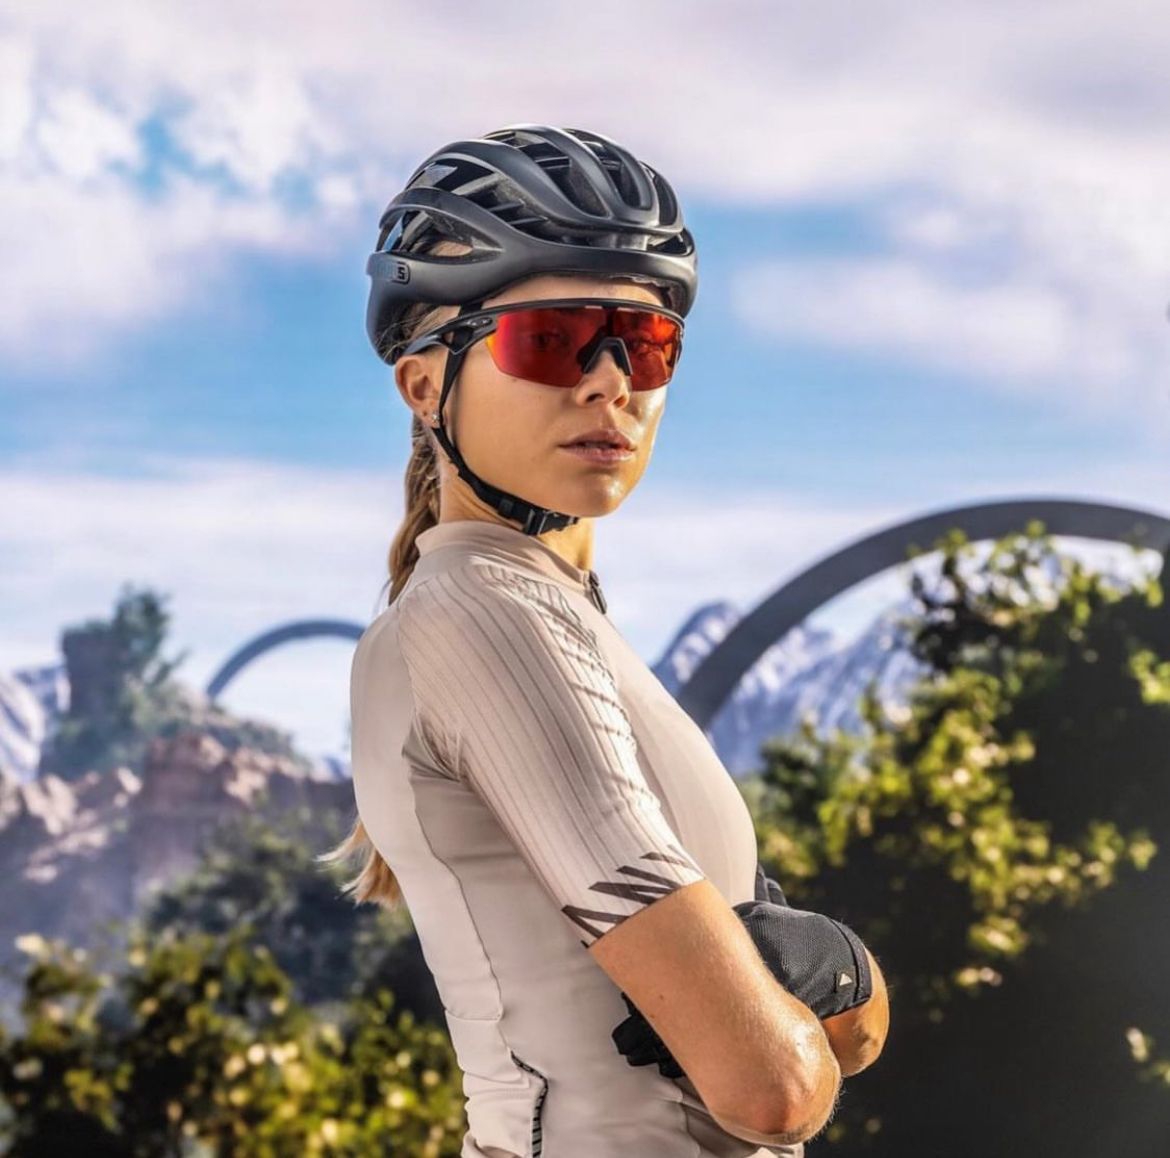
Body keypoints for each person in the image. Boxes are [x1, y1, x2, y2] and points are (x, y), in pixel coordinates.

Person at [323, 124, 882, 1157]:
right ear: (423, 385)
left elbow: (824, 1043)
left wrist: (823, 987)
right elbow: (774, 1086)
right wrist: (845, 970)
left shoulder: (558, 622)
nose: (609, 381)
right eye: (551, 339)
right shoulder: (488, 619)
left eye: (646, 341)